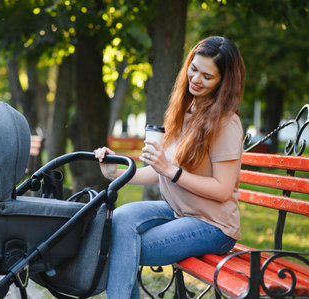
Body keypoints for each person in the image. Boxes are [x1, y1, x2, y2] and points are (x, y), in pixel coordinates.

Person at [94, 36, 245, 299]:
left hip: (213, 226)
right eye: (194, 69)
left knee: (125, 244)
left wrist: (171, 171)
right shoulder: (186, 111)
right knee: (117, 221)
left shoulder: (226, 123)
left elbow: (222, 190)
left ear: (224, 82)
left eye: (207, 76)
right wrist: (116, 174)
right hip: (178, 212)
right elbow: (158, 170)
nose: (196, 79)